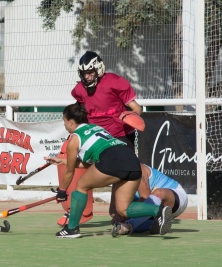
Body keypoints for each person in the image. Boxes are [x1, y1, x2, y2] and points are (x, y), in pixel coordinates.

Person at [44, 103, 173, 238]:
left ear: (70, 122)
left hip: (112, 161)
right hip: (132, 160)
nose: (64, 125)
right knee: (123, 210)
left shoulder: (75, 139)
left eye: (64, 121)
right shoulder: (96, 128)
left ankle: (71, 229)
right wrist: (63, 161)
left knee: (81, 186)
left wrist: (62, 191)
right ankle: (159, 210)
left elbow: (70, 172)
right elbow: (98, 164)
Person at [56, 51, 145, 225]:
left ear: (99, 70)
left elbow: (137, 109)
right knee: (74, 166)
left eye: (91, 73)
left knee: (121, 177)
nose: (87, 77)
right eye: (84, 74)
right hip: (96, 139)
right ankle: (76, 212)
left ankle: (123, 212)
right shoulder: (79, 90)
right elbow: (81, 109)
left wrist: (128, 118)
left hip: (120, 137)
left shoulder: (115, 82)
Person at [110, 164, 188, 236]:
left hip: (176, 197)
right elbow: (113, 210)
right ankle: (154, 224)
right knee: (133, 225)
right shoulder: (116, 181)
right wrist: (117, 217)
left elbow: (146, 198)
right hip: (153, 210)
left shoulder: (138, 169)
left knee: (157, 193)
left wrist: (126, 214)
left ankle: (130, 225)